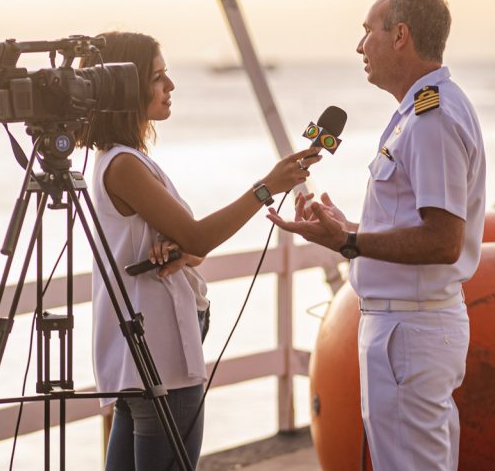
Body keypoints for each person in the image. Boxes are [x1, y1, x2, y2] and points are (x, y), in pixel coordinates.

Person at [268, 0, 486, 470]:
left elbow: (443, 240)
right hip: (403, 326)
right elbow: (411, 220)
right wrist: (347, 230)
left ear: (400, 35)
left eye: (368, 31)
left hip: (411, 328)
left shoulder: (432, 118)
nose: (360, 44)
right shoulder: (418, 111)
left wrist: (347, 240)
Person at [78, 32, 320, 471]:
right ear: (125, 87)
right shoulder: (125, 164)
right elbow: (199, 237)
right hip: (161, 361)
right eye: (158, 76)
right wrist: (268, 187)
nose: (169, 86)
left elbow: (188, 246)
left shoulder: (118, 158)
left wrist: (180, 251)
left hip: (135, 358)